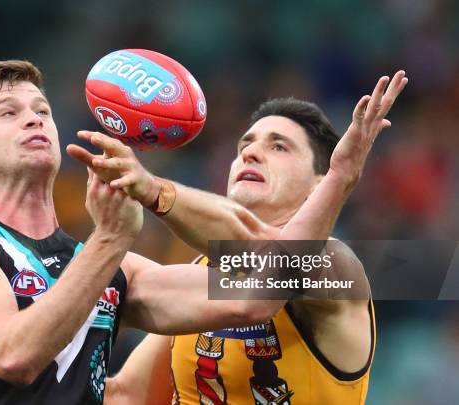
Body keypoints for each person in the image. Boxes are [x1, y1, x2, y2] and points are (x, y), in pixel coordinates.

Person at [0, 59, 403, 404]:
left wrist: (340, 178)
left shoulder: (338, 265)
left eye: (42, 111)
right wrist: (111, 238)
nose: (33, 119)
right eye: (9, 113)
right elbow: (15, 356)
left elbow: (266, 288)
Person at [68, 72, 408, 404]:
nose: (250, 153)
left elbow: (272, 258)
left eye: (279, 147)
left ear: (320, 182)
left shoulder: (339, 267)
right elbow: (125, 395)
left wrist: (155, 190)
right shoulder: (201, 276)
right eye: (244, 145)